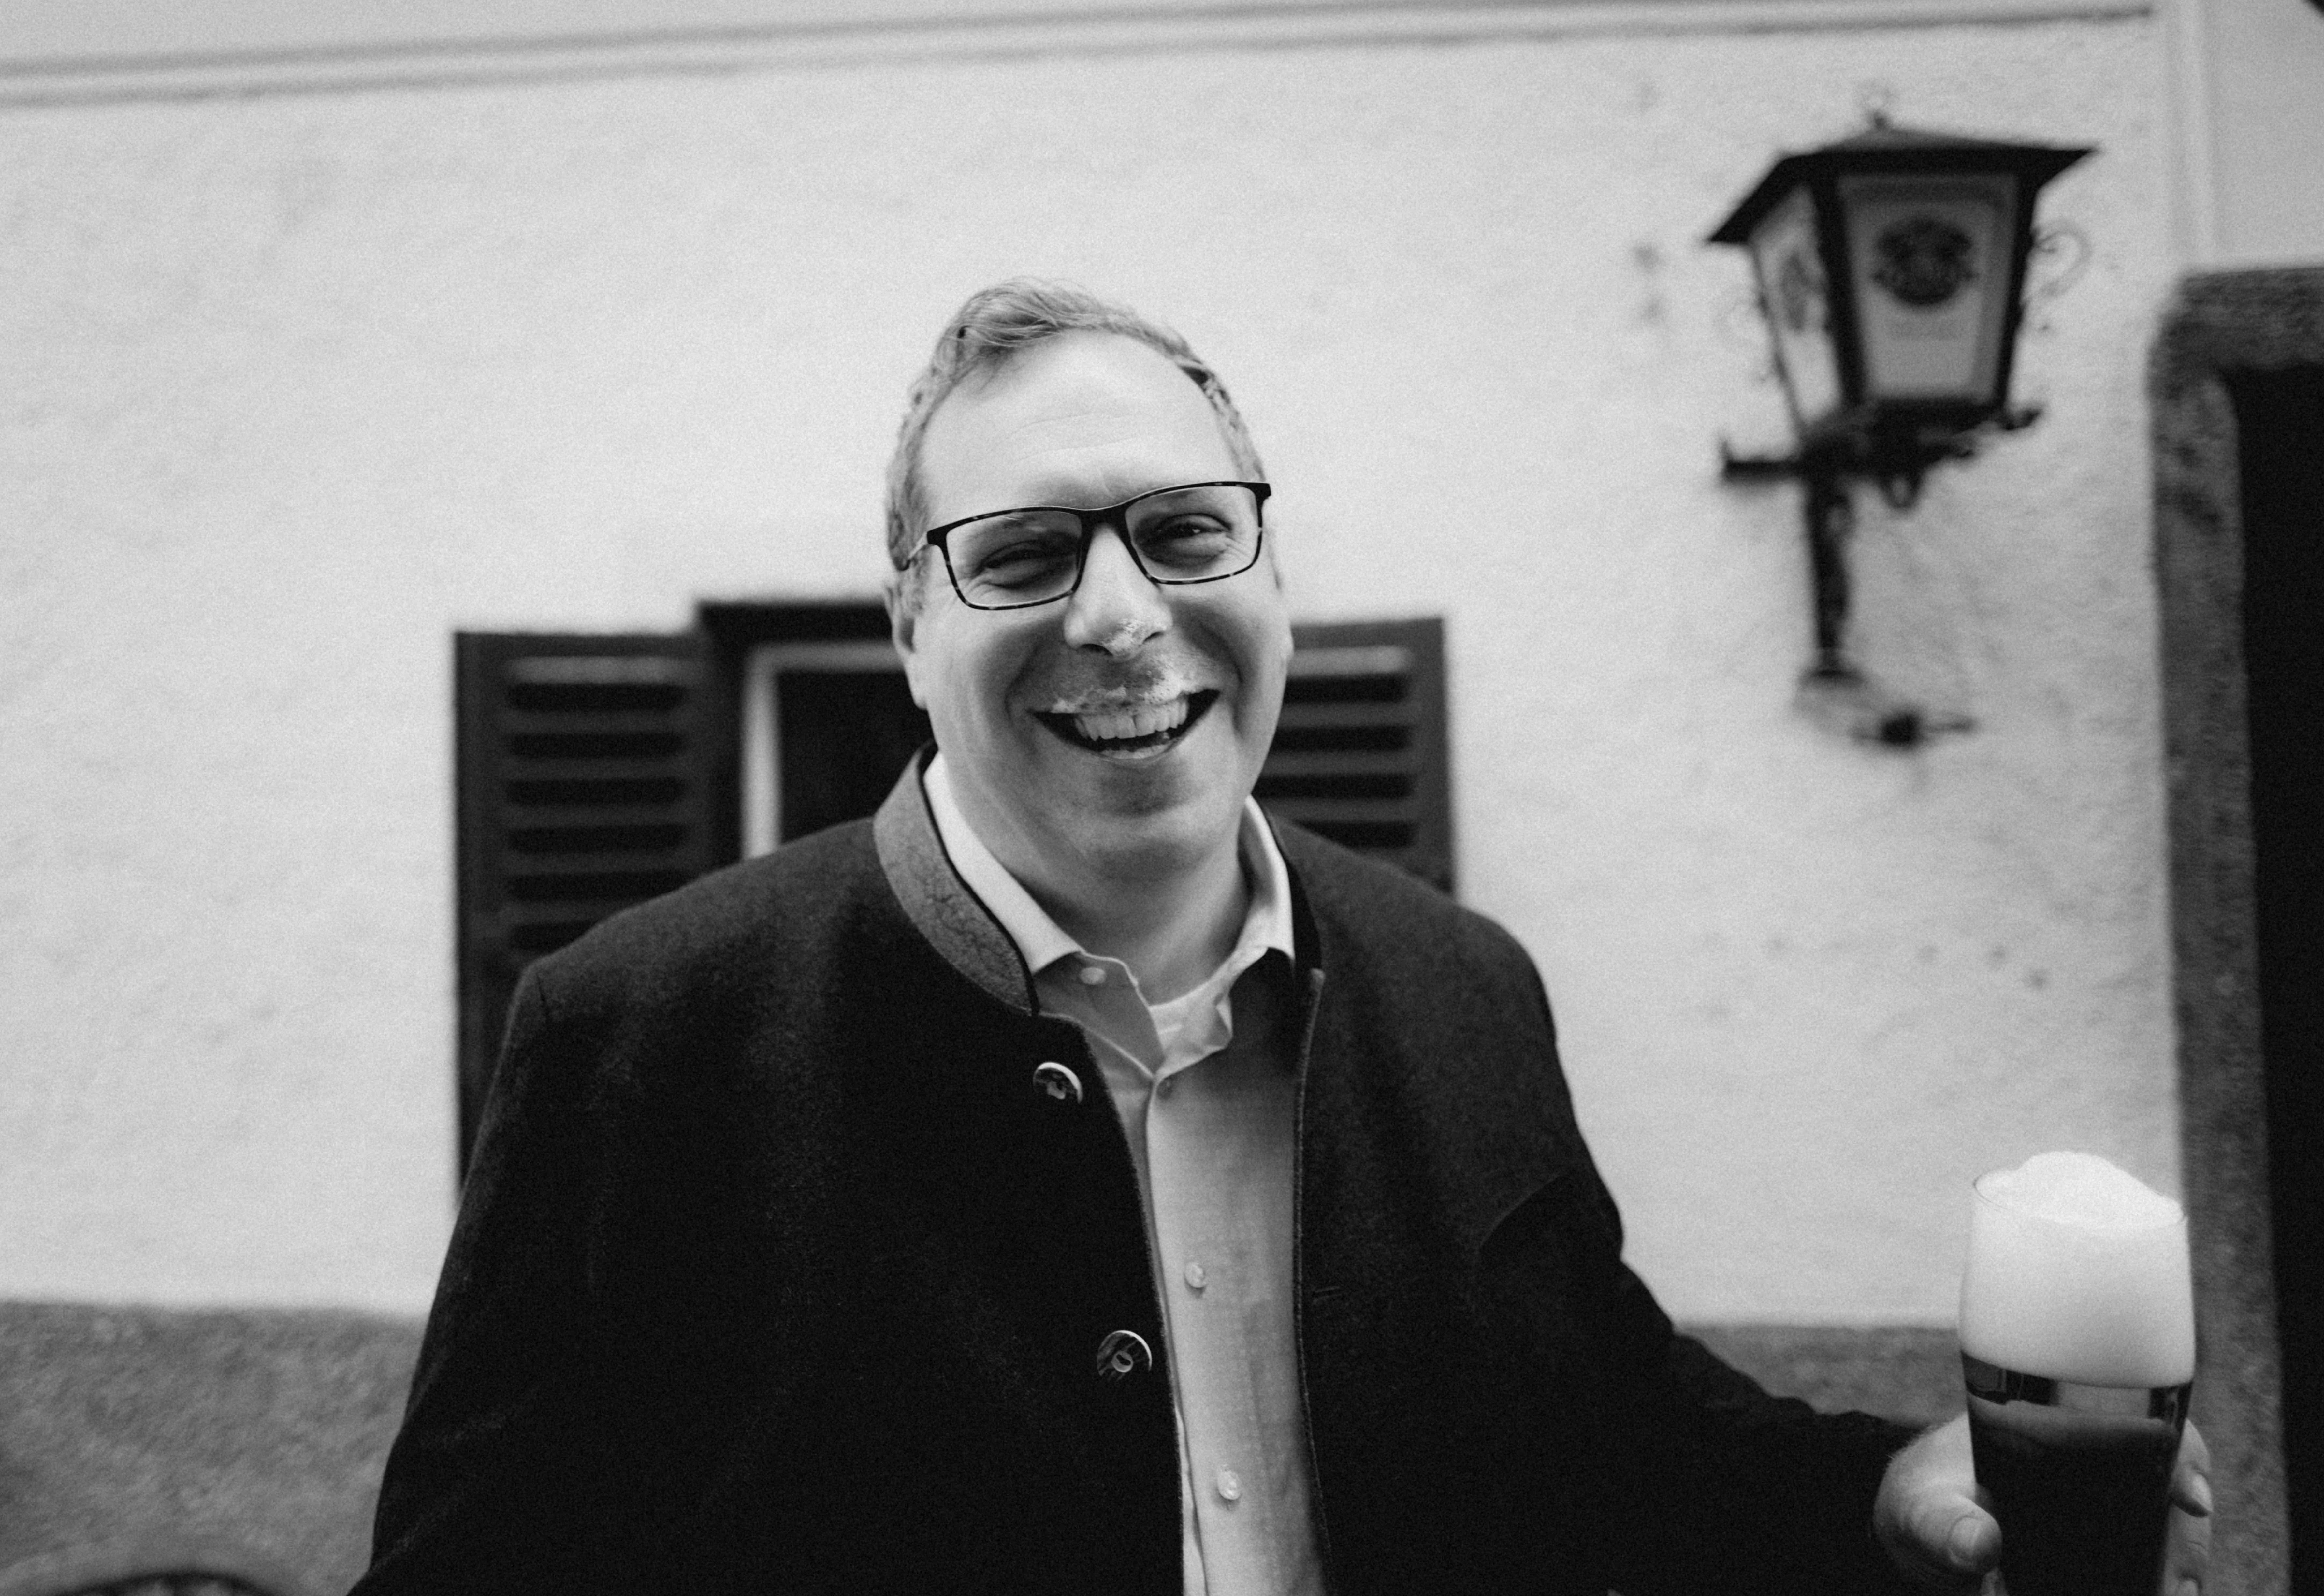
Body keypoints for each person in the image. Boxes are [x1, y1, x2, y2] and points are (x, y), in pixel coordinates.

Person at [356, 280, 2211, 1594]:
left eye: (1185, 532)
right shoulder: (641, 1036)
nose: (1119, 615)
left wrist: (1882, 1488)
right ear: (910, 625)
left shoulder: (1462, 984)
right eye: (1021, 555)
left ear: (1270, 575)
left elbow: (1615, 1429)